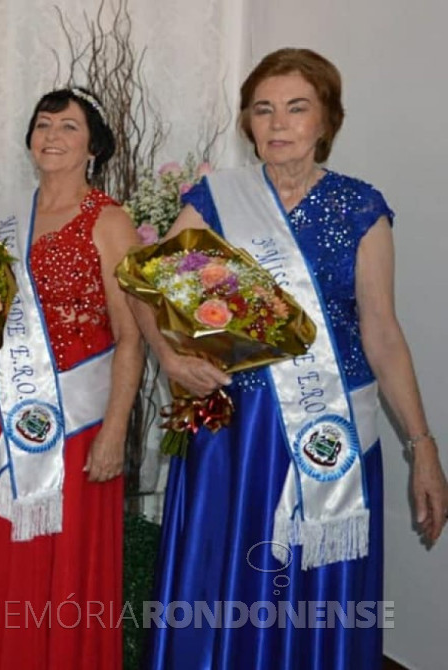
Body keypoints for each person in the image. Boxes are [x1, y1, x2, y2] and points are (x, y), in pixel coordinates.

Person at [138, 48, 448, 669]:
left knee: (315, 603)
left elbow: (381, 332)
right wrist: (170, 359)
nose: (278, 123)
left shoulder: (361, 209)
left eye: (296, 108)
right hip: (237, 437)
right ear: (248, 125)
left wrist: (423, 446)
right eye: (263, 110)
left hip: (331, 434)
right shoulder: (216, 201)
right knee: (226, 583)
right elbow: (143, 285)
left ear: (327, 121)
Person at [0, 87, 144, 669]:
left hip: (75, 421)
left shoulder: (109, 220)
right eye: (43, 124)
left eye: (69, 127)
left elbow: (132, 336)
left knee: (62, 562)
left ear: (93, 146)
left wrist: (117, 429)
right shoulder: (0, 221)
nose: (52, 135)